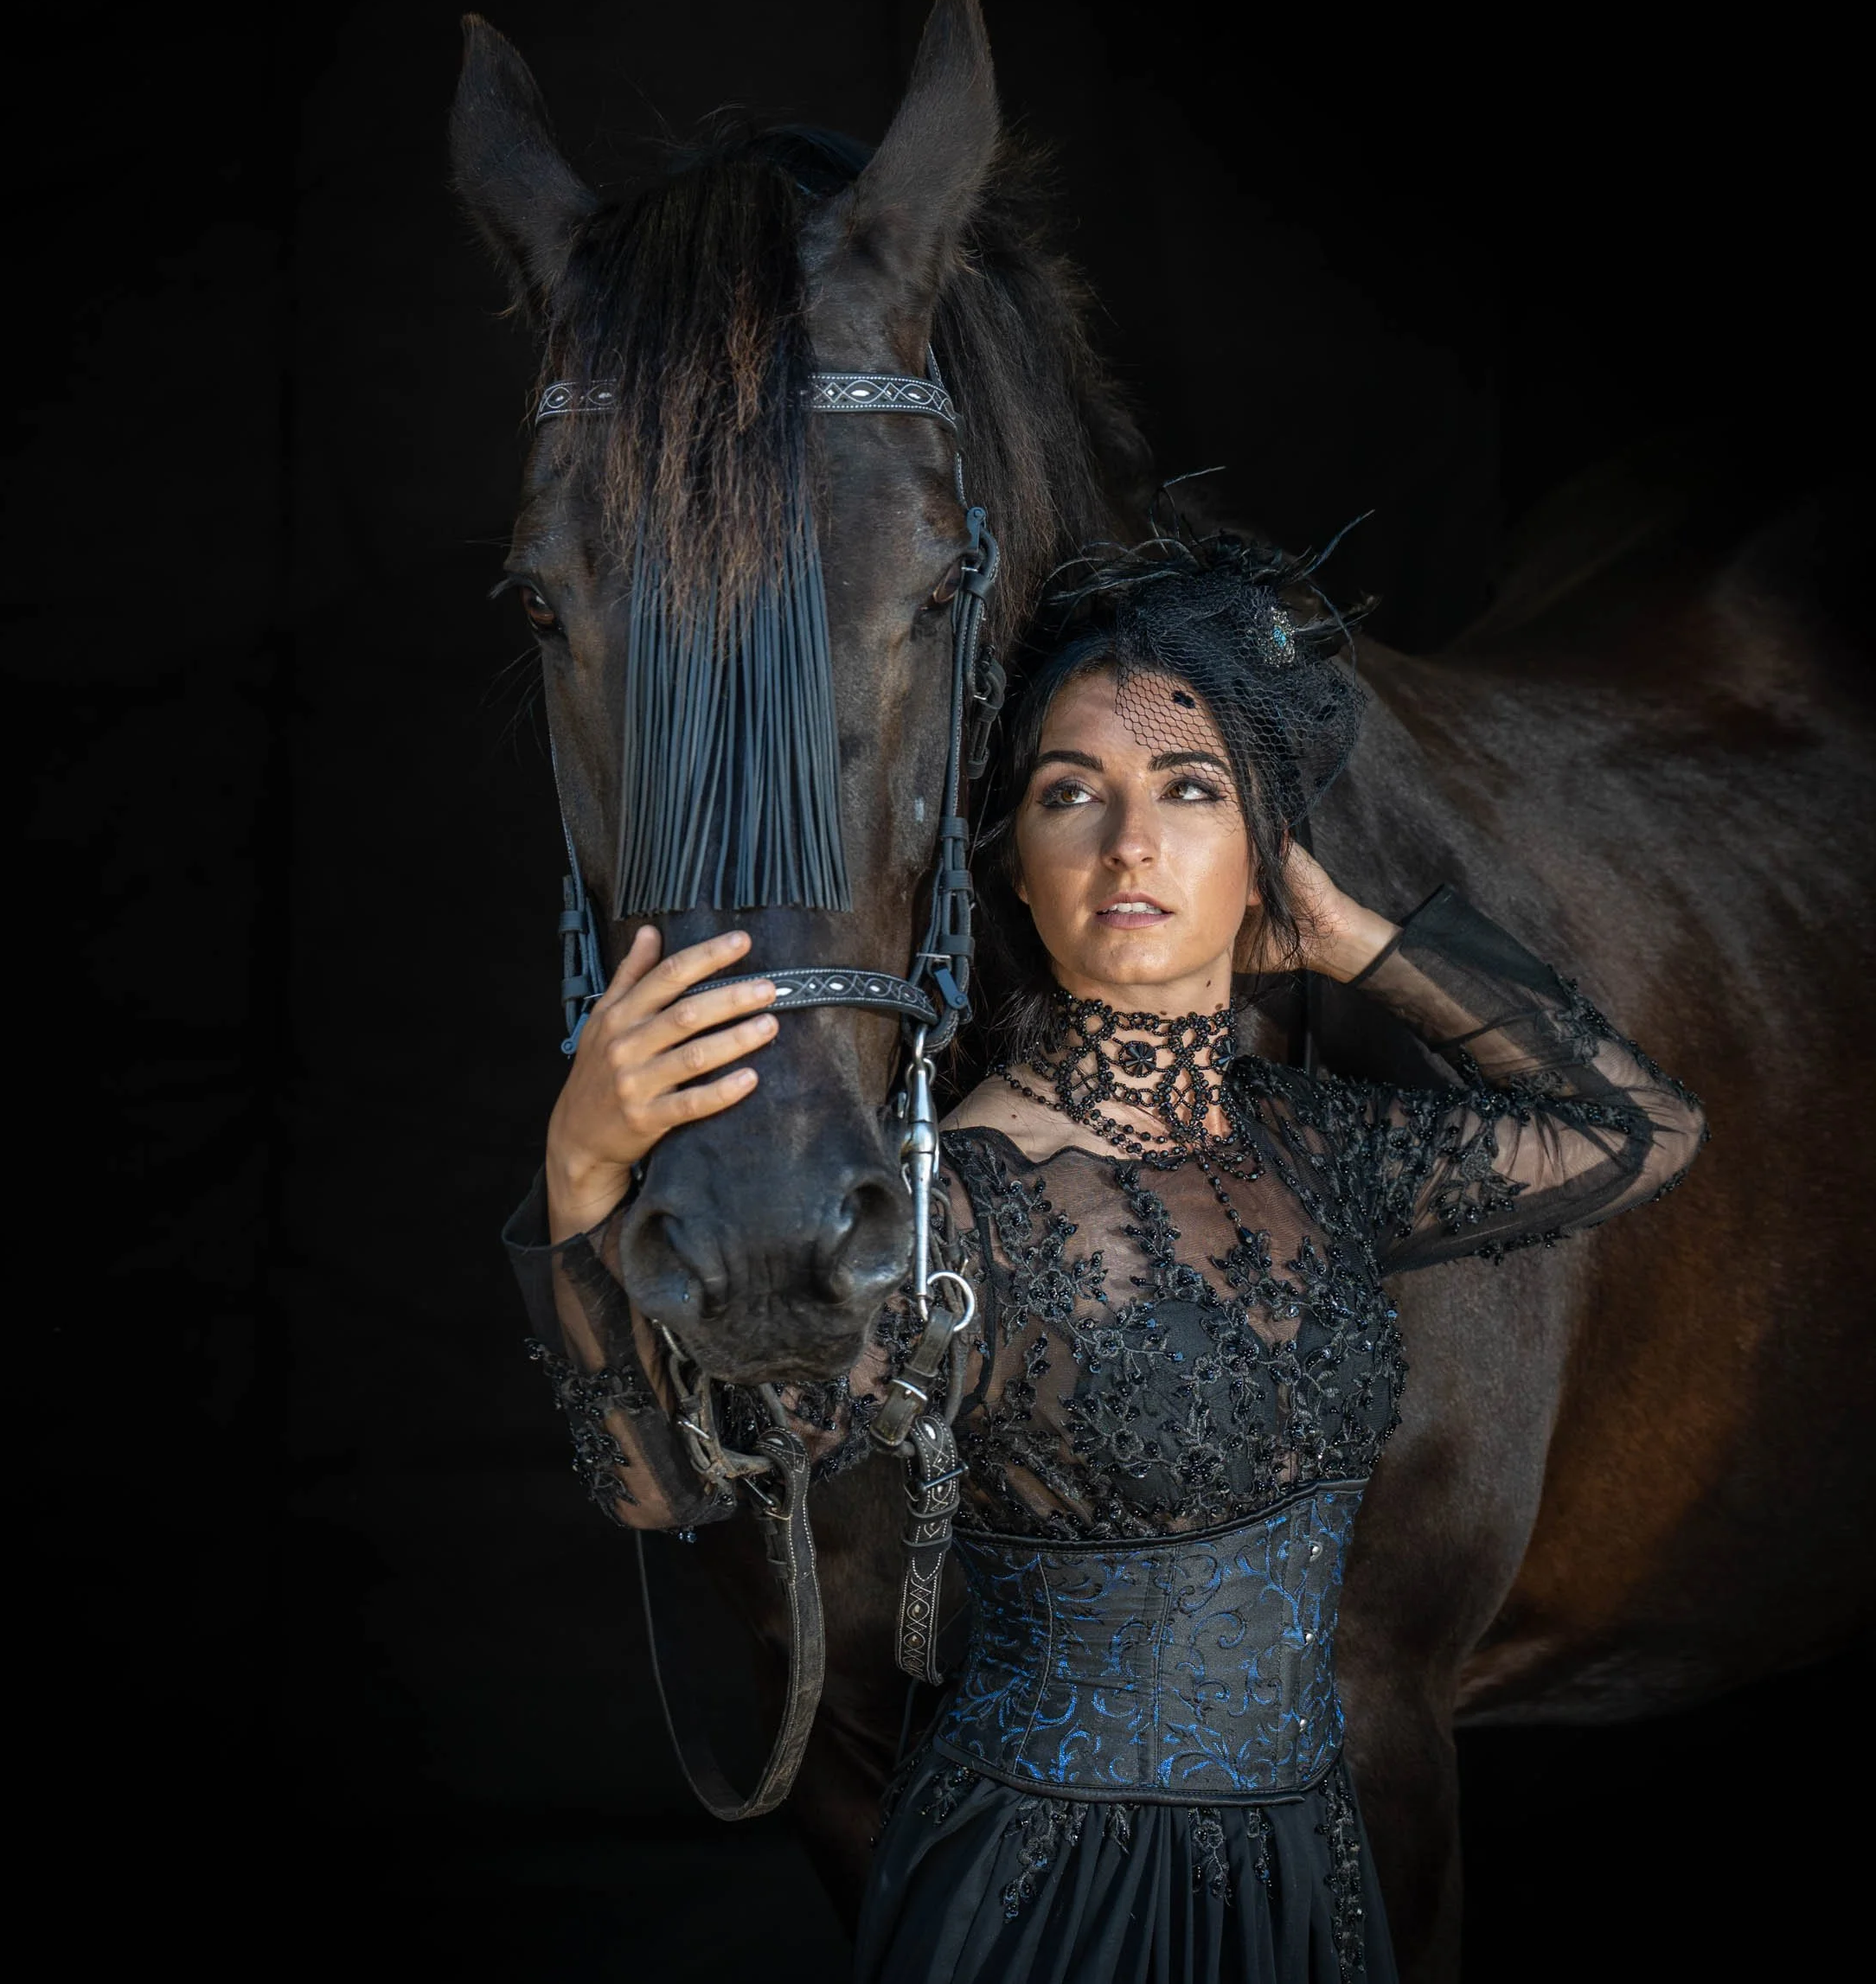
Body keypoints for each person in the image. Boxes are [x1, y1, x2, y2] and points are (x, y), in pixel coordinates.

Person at [509, 532, 1706, 1982]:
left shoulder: (1317, 1151)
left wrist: (1349, 938)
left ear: (1262, 850)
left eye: (1190, 793)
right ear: (1012, 864)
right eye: (1070, 794)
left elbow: (1637, 1131)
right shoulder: (960, 1205)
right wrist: (581, 1173)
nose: (1131, 845)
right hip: (1050, 1897)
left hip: (1308, 1875)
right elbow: (668, 1489)